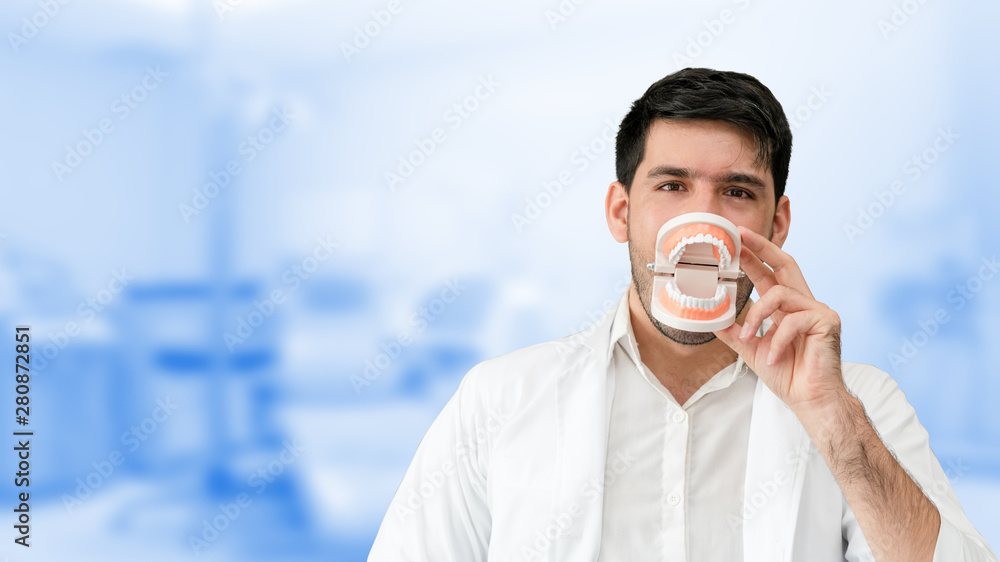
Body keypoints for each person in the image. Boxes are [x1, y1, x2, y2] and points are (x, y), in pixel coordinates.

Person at [368, 68, 997, 561]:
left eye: (738, 192)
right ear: (621, 213)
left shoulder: (858, 405)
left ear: (776, 223)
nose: (706, 221)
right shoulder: (501, 398)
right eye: (672, 186)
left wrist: (830, 418)